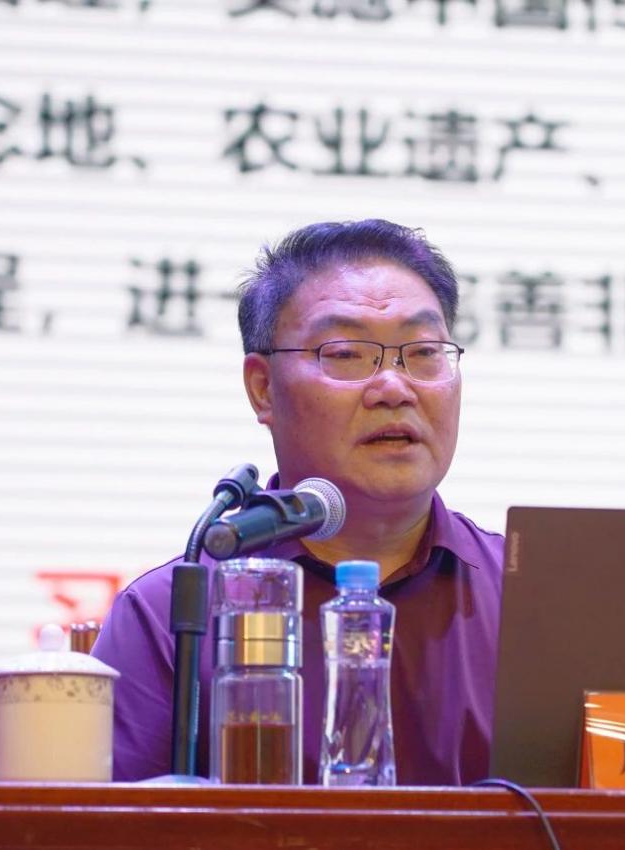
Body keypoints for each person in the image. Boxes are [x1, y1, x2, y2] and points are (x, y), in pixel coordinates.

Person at [92, 219, 504, 785]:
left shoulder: (528, 599)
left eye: (424, 351)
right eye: (346, 353)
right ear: (263, 389)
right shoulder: (172, 614)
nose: (393, 387)